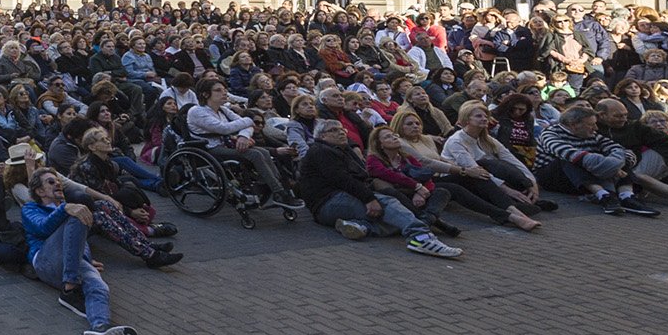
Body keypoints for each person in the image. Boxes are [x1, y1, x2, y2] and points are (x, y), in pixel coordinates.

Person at [298, 120, 464, 258]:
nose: (341, 133)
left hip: (338, 200)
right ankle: (420, 237)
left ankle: (362, 226)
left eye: (343, 130)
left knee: (398, 219)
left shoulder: (341, 151)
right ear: (322, 136)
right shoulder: (321, 151)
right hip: (328, 202)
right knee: (388, 203)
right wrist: (370, 199)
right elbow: (343, 180)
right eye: (334, 130)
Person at [21, 169, 139, 335]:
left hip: (71, 264)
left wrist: (84, 259)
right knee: (78, 214)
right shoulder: (30, 209)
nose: (58, 184)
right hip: (45, 261)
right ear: (40, 191)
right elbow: (42, 228)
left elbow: (80, 242)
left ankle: (100, 329)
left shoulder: (70, 209)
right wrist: (64, 209)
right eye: (51, 181)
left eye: (58, 181)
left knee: (99, 287)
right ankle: (70, 288)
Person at [187, 78, 301, 210]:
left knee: (263, 152)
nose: (224, 93)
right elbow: (224, 128)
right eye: (218, 90)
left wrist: (243, 136)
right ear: (205, 94)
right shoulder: (197, 111)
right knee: (255, 154)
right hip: (210, 148)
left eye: (224, 90)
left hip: (228, 144)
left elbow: (248, 126)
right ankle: (279, 192)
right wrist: (247, 120)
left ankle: (281, 189)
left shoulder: (222, 110)